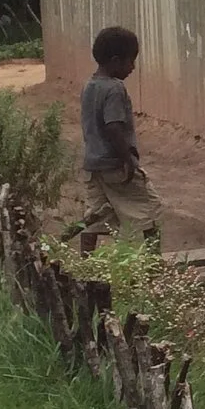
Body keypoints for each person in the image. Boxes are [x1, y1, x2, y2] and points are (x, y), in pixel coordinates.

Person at [76, 26, 162, 253]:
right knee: (149, 209)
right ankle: (155, 267)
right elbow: (113, 126)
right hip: (116, 165)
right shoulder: (115, 89)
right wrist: (128, 159)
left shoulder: (89, 86)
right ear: (115, 61)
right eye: (130, 61)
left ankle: (86, 266)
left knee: (94, 215)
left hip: (93, 166)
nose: (133, 67)